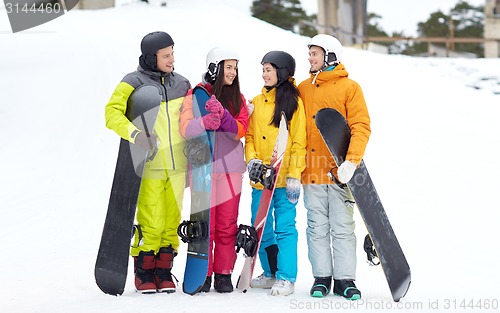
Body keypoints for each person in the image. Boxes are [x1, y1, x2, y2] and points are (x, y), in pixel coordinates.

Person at [104, 31, 191, 294]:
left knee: (171, 220)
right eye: (166, 55)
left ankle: (164, 271)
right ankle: (144, 272)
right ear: (151, 58)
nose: (171, 59)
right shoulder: (133, 82)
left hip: (177, 166)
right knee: (151, 219)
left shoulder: (182, 83)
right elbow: (111, 113)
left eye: (172, 53)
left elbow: (189, 121)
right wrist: (135, 134)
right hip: (150, 165)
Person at [297, 34, 371, 300]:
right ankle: (321, 277)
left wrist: (351, 162)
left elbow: (361, 126)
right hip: (311, 173)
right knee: (316, 228)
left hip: (339, 174)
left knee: (342, 227)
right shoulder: (303, 88)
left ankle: (344, 280)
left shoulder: (350, 88)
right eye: (310, 53)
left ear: (329, 56)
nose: (310, 58)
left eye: (314, 53)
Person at [180, 47, 249, 293]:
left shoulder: (238, 98)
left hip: (230, 168)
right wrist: (203, 123)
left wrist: (224, 117)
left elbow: (241, 130)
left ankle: (223, 273)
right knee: (206, 224)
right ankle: (205, 273)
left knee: (227, 224)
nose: (232, 73)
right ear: (214, 67)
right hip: (203, 169)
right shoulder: (195, 95)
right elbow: (185, 128)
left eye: (235, 68)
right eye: (228, 67)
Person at [245, 51, 306, 296]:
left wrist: (293, 175)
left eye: (269, 69)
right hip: (262, 179)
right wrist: (252, 162)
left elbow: (299, 140)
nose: (264, 74)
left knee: (285, 227)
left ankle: (286, 277)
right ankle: (270, 272)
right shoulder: (256, 102)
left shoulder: (294, 102)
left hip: (283, 180)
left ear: (281, 71)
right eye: (263, 70)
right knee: (260, 226)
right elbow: (249, 137)